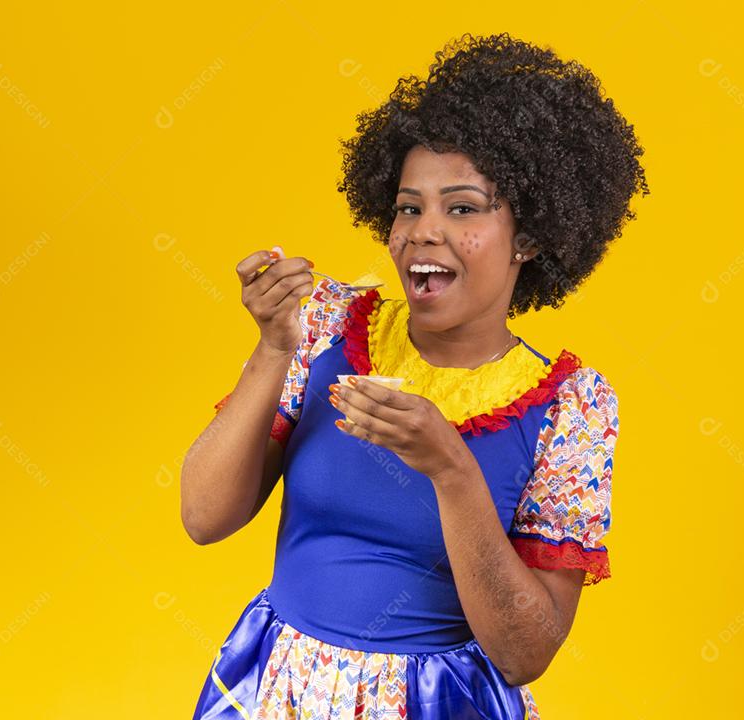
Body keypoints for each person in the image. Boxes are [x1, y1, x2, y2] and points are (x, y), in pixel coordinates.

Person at [181, 31, 648, 719]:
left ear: (531, 236)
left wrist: (452, 468)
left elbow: (525, 653)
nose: (422, 232)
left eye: (462, 208)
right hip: (275, 688)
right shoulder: (326, 327)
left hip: (442, 704)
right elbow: (203, 516)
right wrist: (274, 349)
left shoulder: (570, 407)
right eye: (408, 206)